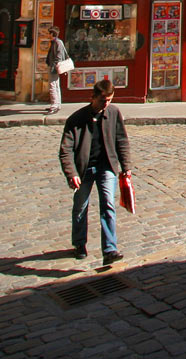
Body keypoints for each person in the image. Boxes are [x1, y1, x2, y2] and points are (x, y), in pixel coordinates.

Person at [59, 79, 131, 265]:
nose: (105, 104)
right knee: (81, 207)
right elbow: (65, 150)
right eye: (102, 100)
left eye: (109, 100)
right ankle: (79, 244)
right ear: (92, 97)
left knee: (108, 205)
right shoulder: (76, 119)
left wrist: (126, 167)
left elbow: (122, 141)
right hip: (84, 169)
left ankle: (109, 249)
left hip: (106, 166)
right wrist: (72, 173)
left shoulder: (114, 113)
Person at [44, 25, 70, 115]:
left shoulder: (58, 43)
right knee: (56, 85)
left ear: (52, 34)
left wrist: (53, 67)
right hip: (53, 66)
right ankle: (57, 104)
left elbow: (59, 56)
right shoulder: (55, 42)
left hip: (54, 67)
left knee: (52, 86)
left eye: (48, 33)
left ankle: (54, 105)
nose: (47, 35)